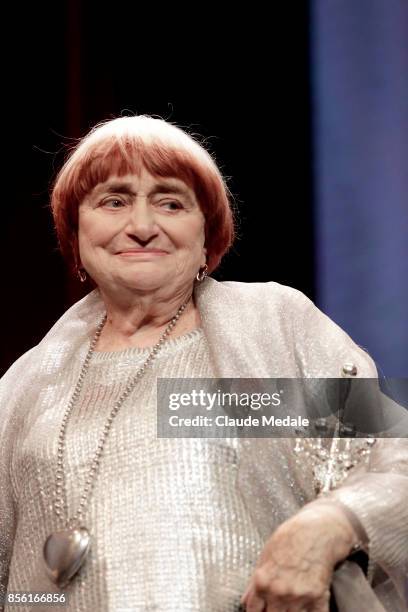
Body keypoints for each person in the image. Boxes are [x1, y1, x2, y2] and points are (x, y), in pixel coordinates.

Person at [0, 116, 406, 612]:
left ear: (207, 236)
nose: (143, 227)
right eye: (114, 201)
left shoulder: (271, 330)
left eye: (171, 202)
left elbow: (396, 457)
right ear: (75, 230)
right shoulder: (25, 385)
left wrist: (334, 522)